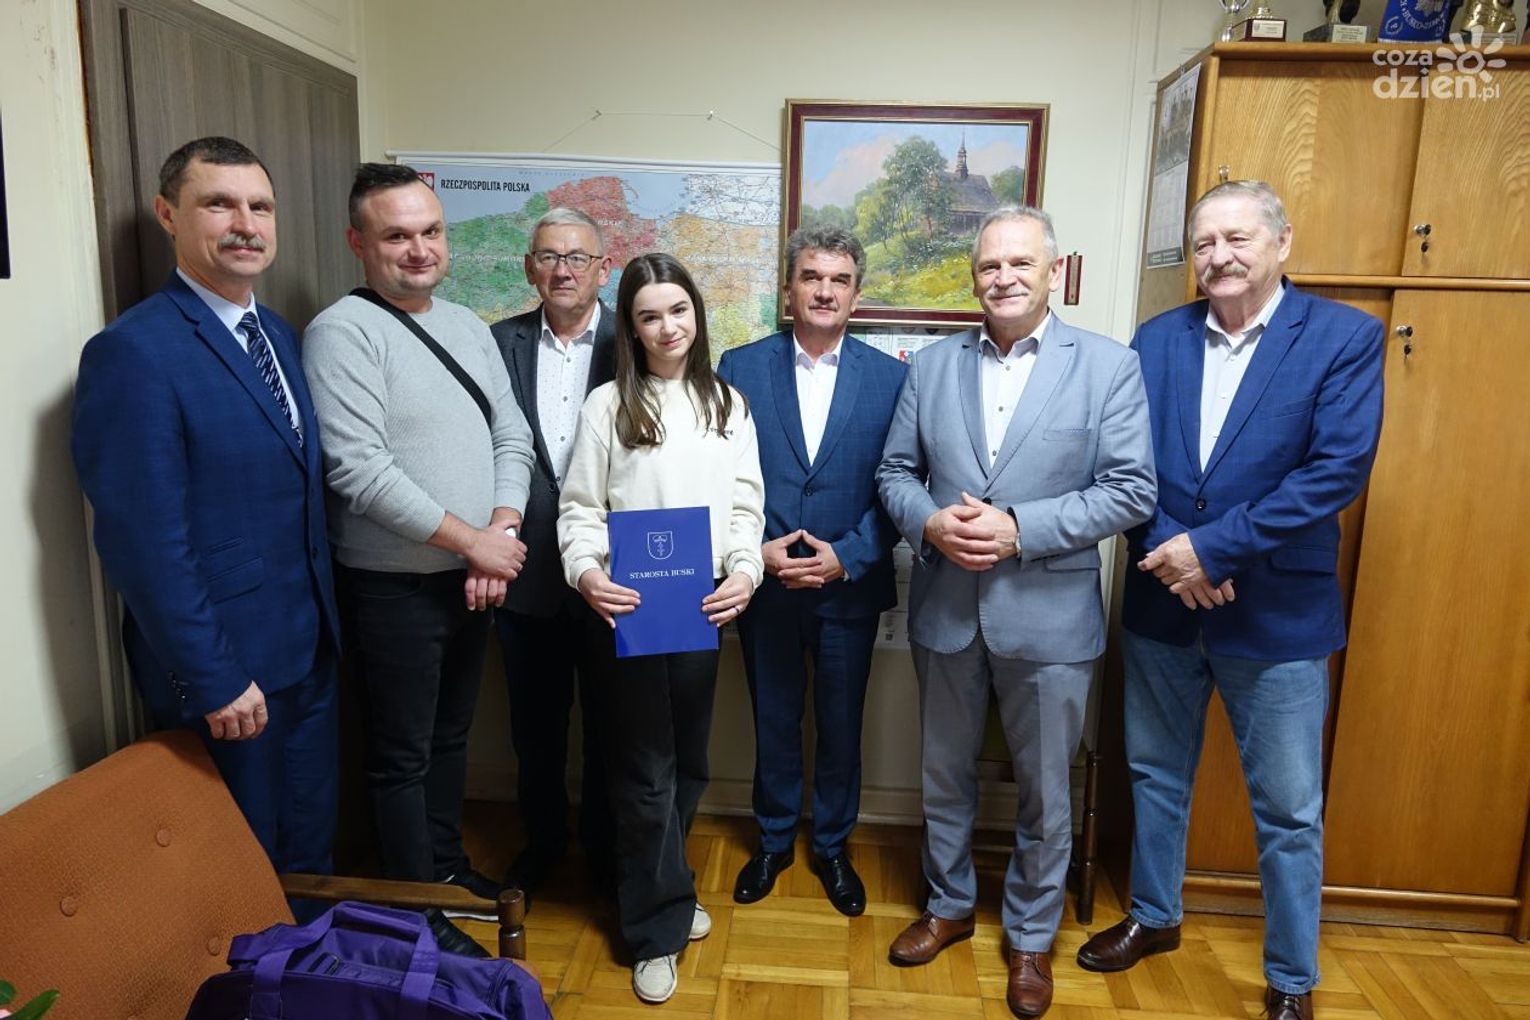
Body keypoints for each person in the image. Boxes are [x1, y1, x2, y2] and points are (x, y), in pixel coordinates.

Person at [1076, 181, 1384, 1020]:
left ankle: (1292, 979)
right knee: (1155, 774)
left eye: (1238, 238)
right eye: (1205, 242)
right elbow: (1126, 464)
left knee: (1288, 810)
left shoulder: (1344, 338)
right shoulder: (1157, 339)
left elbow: (1335, 472)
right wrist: (1178, 553)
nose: (1220, 256)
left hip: (1277, 616)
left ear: (1282, 242)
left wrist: (1211, 549)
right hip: (1163, 601)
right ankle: (1154, 916)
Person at [876, 206, 1156, 1018]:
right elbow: (895, 474)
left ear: (1053, 272)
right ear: (974, 277)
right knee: (943, 774)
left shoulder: (1107, 367)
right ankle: (949, 906)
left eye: (1020, 264)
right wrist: (929, 522)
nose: (1002, 278)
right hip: (946, 611)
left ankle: (1031, 937)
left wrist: (1019, 529)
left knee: (1044, 791)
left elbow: (1132, 490)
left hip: (1051, 619)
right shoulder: (931, 367)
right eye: (989, 266)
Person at [71, 136, 341, 891]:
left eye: (260, 206)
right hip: (229, 673)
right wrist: (213, 675)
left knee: (309, 856)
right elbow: (143, 542)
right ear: (168, 215)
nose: (246, 224)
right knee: (237, 874)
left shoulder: (278, 334)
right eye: (219, 204)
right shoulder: (134, 352)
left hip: (307, 650)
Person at [302, 162, 536, 958]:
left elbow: (512, 434)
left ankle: (443, 871)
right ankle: (414, 915)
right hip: (392, 588)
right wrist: (474, 542)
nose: (418, 249)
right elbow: (359, 470)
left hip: (473, 581)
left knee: (448, 739)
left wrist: (500, 530)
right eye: (396, 235)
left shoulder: (469, 326)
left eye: (430, 231)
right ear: (357, 242)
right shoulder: (342, 332)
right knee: (400, 757)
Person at [557, 252, 764, 1004]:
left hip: (700, 604)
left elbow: (745, 507)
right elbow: (580, 508)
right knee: (645, 770)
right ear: (632, 328)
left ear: (696, 314)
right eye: (650, 316)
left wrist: (745, 571)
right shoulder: (608, 405)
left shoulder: (727, 404)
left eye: (679, 310)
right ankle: (654, 930)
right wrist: (586, 572)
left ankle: (660, 886)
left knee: (690, 763)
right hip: (629, 607)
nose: (668, 326)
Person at [716, 225, 906, 916]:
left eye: (839, 280)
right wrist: (754, 551)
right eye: (811, 277)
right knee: (772, 719)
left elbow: (904, 484)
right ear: (788, 290)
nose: (825, 291)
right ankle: (772, 841)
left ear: (857, 294)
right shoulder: (739, 367)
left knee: (840, 725)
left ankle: (831, 845)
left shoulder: (893, 379)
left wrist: (847, 556)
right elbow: (720, 475)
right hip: (764, 585)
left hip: (847, 588)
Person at [488, 208, 617, 902]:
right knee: (534, 729)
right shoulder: (496, 343)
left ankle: (601, 850)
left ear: (604, 268)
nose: (563, 270)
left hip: (613, 573)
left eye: (577, 257)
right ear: (529, 267)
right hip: (527, 571)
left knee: (609, 726)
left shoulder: (637, 340)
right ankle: (542, 844)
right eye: (548, 256)